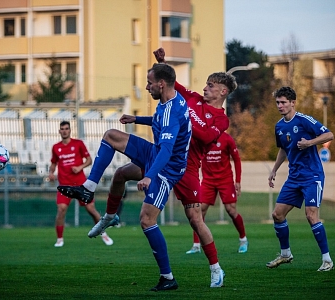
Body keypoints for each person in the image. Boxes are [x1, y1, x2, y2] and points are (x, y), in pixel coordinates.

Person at [78, 48, 237, 288]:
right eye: (205, 84)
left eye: (211, 86)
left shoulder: (220, 119)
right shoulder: (190, 99)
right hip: (162, 158)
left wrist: (183, 119)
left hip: (187, 169)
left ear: (222, 92)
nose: (205, 88)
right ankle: (109, 216)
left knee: (195, 220)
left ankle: (215, 268)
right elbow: (171, 88)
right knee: (121, 174)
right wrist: (161, 66)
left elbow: (203, 136)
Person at [58, 63, 191, 291]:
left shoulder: (172, 110)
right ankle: (95, 197)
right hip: (154, 153)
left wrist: (149, 176)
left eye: (149, 83)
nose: (146, 87)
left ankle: (168, 278)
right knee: (112, 141)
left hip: (166, 168)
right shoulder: (168, 102)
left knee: (147, 220)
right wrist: (136, 120)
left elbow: (168, 150)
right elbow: (161, 121)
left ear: (161, 84)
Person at [267, 86, 334, 272]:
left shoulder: (304, 121)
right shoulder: (279, 126)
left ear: (292, 103)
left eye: (283, 102)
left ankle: (327, 260)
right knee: (277, 214)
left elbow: (329, 134)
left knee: (311, 215)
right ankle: (286, 254)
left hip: (312, 175)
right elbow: (283, 149)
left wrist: (310, 143)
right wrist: (274, 170)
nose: (280, 106)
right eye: (278, 103)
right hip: (294, 177)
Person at [48, 121, 113, 247]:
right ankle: (59, 239)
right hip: (65, 185)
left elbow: (89, 160)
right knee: (61, 210)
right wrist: (50, 172)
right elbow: (53, 163)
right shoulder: (56, 147)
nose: (64, 131)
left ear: (70, 130)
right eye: (62, 129)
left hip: (80, 184)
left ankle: (103, 233)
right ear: (59, 131)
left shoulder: (78, 144)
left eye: (66, 128)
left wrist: (79, 167)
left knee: (91, 210)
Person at [186, 131, 248, 254]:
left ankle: (243, 239)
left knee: (231, 210)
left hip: (225, 180)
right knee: (198, 209)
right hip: (208, 180)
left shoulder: (227, 139)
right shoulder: (203, 138)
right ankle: (196, 245)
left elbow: (236, 159)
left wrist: (238, 181)